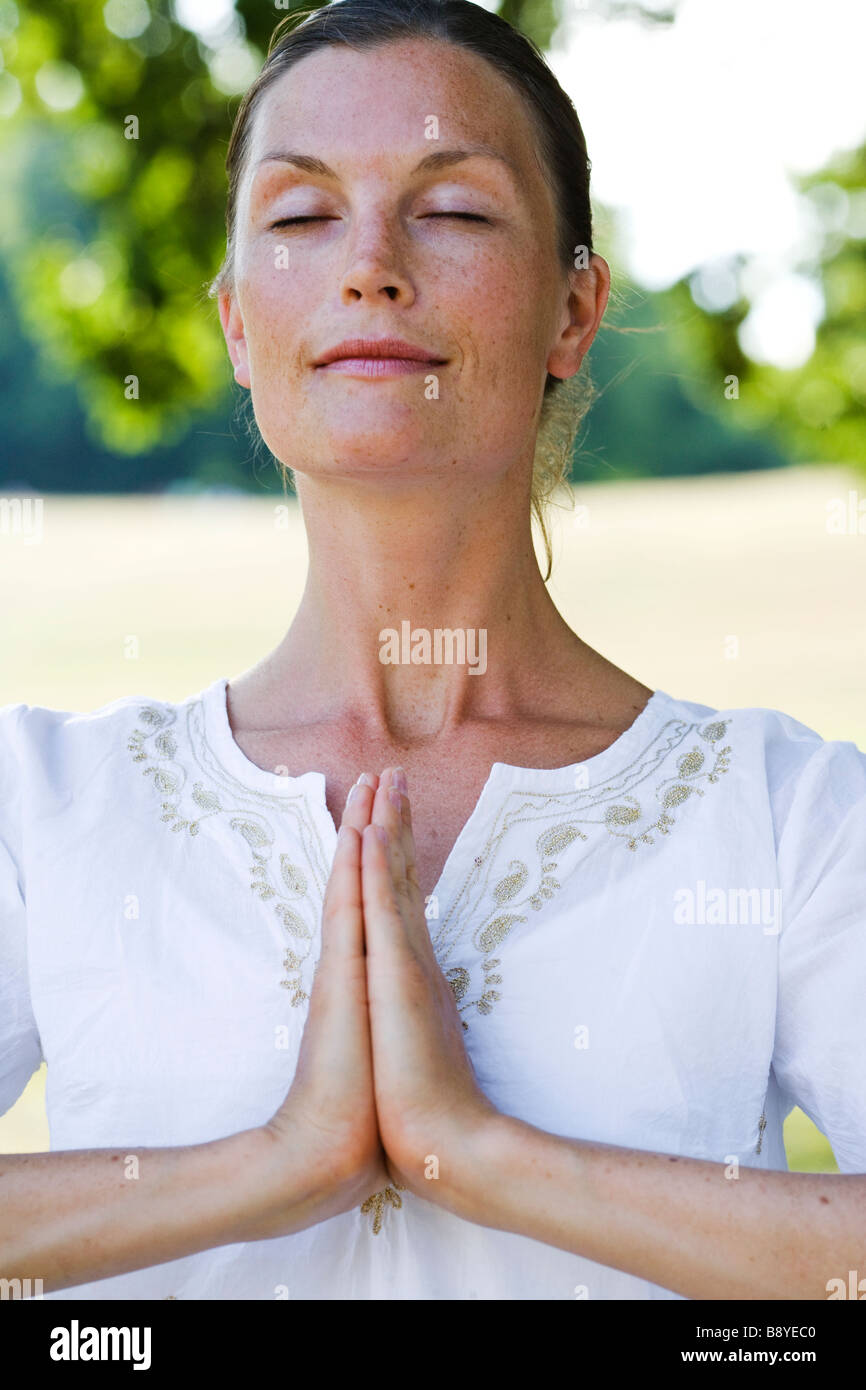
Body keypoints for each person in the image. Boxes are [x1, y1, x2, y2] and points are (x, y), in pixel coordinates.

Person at [2, 0, 865, 1302]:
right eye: (301, 216)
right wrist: (277, 1161)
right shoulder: (44, 802)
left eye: (451, 210)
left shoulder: (792, 815)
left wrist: (480, 1153)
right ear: (238, 325)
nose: (370, 264)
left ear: (574, 309)